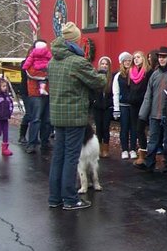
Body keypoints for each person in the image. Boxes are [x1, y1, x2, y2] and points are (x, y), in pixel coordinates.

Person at [47, 22, 106, 211]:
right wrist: (103, 72)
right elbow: (98, 82)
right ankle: (70, 199)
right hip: (74, 116)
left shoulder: (53, 61)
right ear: (74, 40)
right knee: (71, 158)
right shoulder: (77, 62)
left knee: (59, 157)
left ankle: (55, 198)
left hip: (58, 115)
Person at [139, 46, 167, 172]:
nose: (161, 60)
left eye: (164, 57)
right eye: (160, 57)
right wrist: (143, 114)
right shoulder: (155, 74)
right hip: (154, 113)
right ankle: (150, 163)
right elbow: (148, 95)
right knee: (153, 140)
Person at [23, 39, 52, 154]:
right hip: (35, 93)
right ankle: (32, 143)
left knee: (47, 120)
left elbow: (52, 71)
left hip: (48, 92)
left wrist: (47, 74)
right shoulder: (30, 60)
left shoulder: (49, 58)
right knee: (36, 119)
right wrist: (45, 75)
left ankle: (45, 142)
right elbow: (31, 73)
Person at [128, 50, 151, 165]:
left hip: (143, 104)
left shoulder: (147, 72)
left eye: (138, 57)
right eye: (134, 57)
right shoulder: (131, 72)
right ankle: (141, 151)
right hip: (133, 104)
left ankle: (144, 154)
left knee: (141, 128)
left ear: (143, 58)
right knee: (136, 129)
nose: (136, 59)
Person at [112, 52, 135, 159]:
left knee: (134, 128)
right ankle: (125, 149)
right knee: (124, 128)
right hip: (123, 105)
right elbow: (115, 92)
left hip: (133, 105)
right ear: (122, 62)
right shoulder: (118, 76)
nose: (127, 62)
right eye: (125, 60)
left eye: (129, 60)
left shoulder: (135, 73)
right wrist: (116, 109)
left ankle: (133, 149)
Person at [91, 56, 113, 158]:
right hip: (97, 107)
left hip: (107, 107)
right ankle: (98, 148)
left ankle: (106, 149)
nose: (104, 66)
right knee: (98, 127)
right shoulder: (95, 76)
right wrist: (94, 102)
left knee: (105, 127)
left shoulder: (112, 77)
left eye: (106, 64)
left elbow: (113, 92)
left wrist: (110, 103)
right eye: (102, 64)